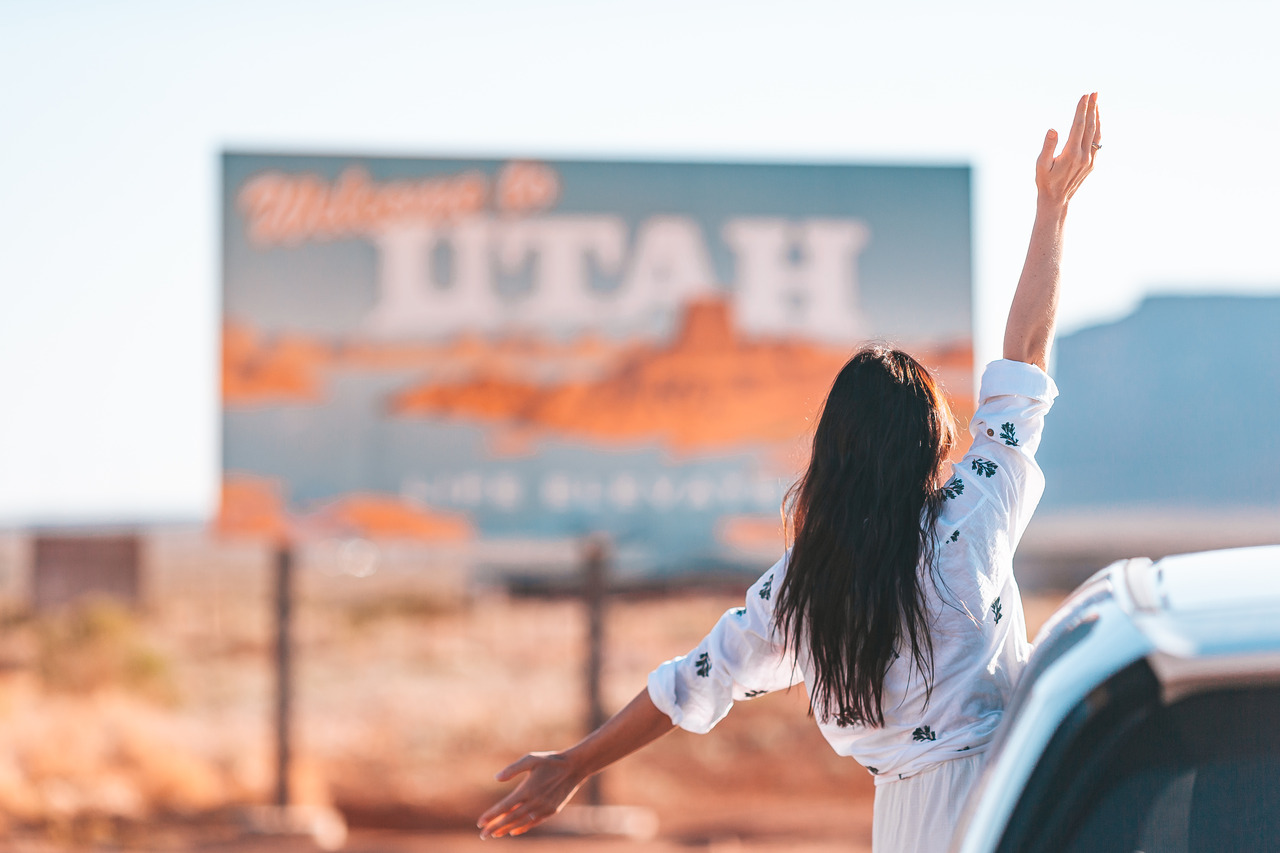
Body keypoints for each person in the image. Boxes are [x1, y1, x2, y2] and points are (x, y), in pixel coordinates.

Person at [478, 93, 1102, 850]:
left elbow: (687, 682)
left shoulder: (805, 587)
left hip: (904, 828)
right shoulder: (971, 514)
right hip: (1016, 805)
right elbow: (1024, 364)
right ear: (930, 445)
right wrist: (1052, 209)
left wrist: (575, 762)